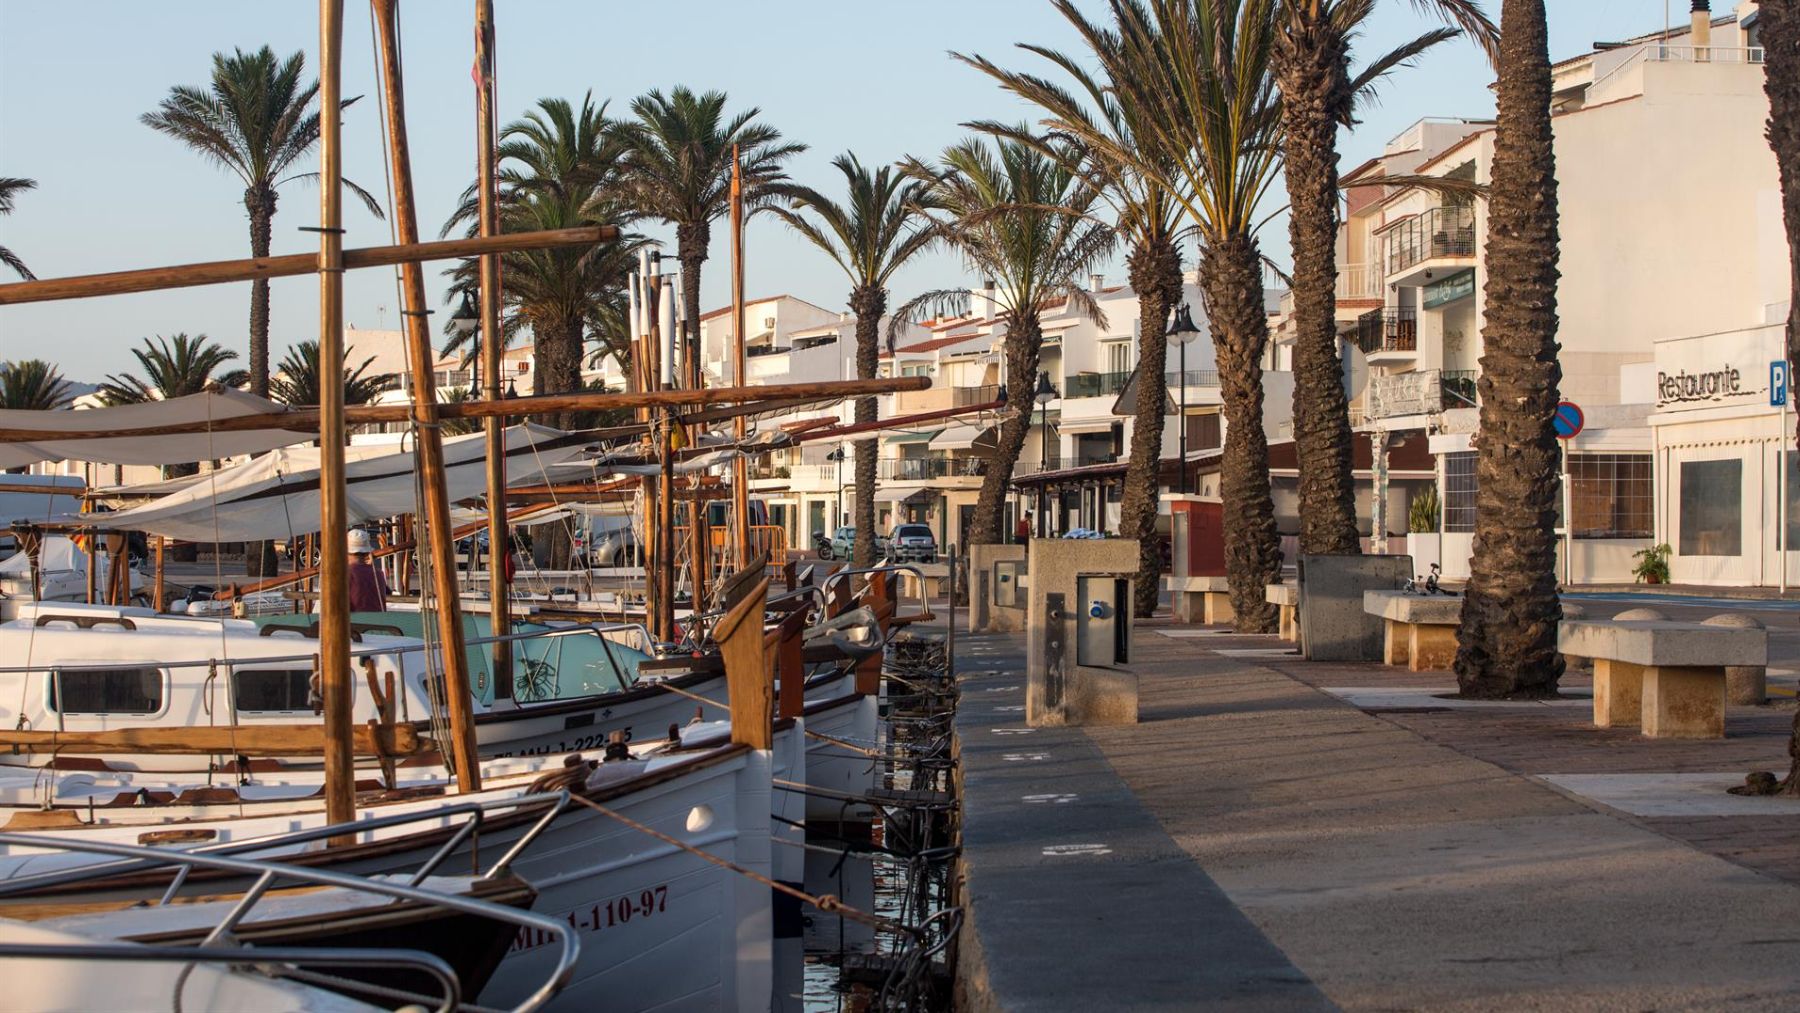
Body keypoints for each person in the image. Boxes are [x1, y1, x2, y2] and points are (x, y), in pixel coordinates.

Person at [346, 528, 388, 613]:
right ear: (366, 552)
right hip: (378, 622)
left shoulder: (343, 574)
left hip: (354, 623)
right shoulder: (378, 573)